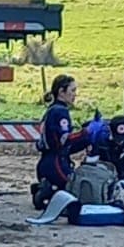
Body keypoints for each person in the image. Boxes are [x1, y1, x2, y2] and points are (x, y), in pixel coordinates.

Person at [33, 74, 91, 204]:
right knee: (76, 191)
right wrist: (87, 133)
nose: (75, 94)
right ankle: (47, 191)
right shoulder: (60, 112)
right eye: (72, 90)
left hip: (48, 161)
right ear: (61, 91)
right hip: (56, 163)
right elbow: (64, 140)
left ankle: (46, 189)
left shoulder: (52, 109)